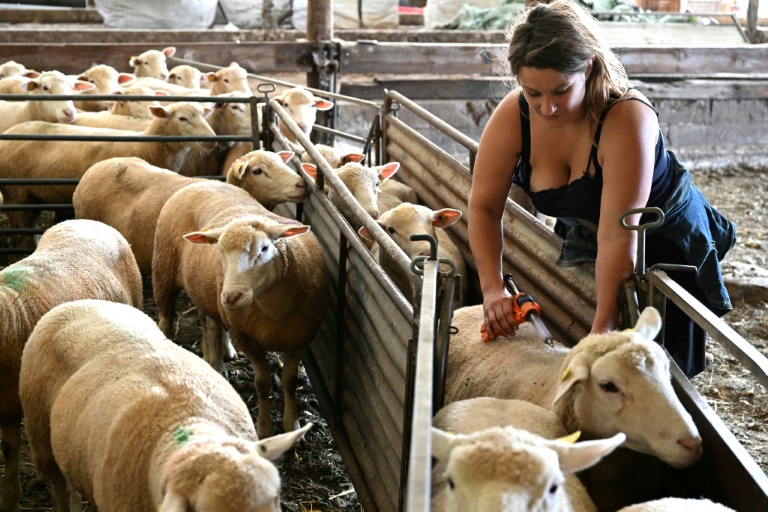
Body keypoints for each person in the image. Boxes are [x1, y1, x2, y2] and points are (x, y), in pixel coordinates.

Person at [467, 0, 736, 378]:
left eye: (560, 90)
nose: (547, 109)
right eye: (533, 93)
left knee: (658, 364)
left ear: (588, 66)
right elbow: (483, 207)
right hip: (589, 225)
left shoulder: (625, 117)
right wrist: (492, 289)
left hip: (657, 237)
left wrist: (603, 327)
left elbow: (616, 235)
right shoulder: (516, 115)